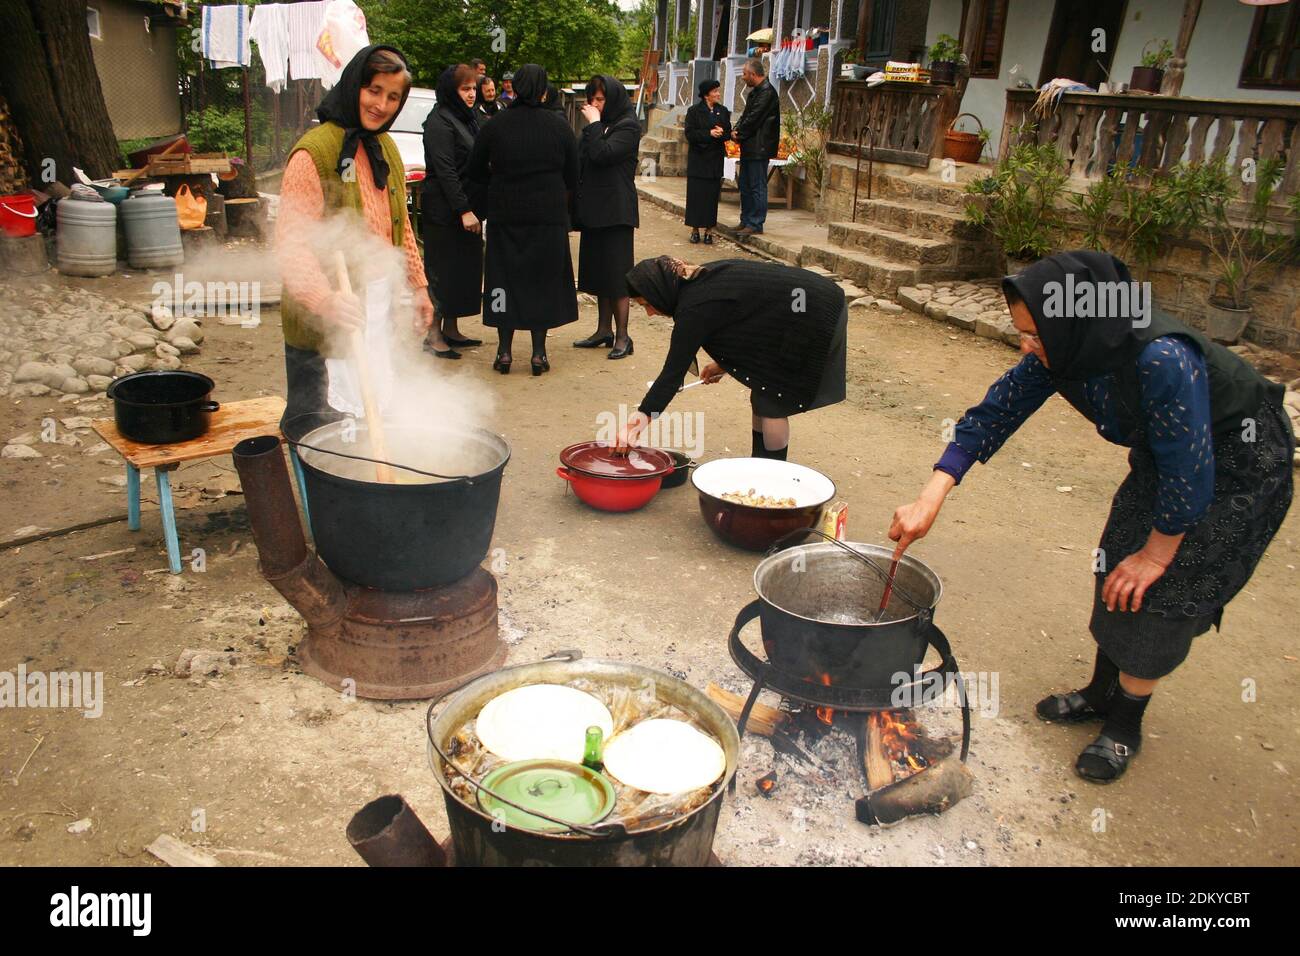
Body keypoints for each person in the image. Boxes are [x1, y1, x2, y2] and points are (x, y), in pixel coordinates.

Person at [888, 251, 1295, 784]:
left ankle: (1125, 726)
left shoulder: (1161, 359)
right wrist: (931, 495)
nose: (1024, 345)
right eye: (1022, 332)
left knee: (1160, 589)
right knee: (1117, 564)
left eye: (1034, 334)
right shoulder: (1070, 345)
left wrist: (1158, 552)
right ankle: (1104, 692)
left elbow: (1190, 475)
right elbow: (996, 412)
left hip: (1234, 464)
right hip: (1168, 456)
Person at [275, 45, 430, 438]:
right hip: (324, 316)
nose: (382, 104)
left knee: (372, 411)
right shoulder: (315, 152)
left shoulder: (387, 148)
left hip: (376, 305)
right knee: (318, 428)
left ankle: (368, 489)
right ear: (354, 86)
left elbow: (401, 228)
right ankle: (323, 499)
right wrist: (324, 300)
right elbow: (292, 244)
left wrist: (420, 286)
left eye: (393, 97)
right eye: (374, 90)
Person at [619, 256, 847, 460]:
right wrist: (724, 365)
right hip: (801, 303)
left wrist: (634, 426)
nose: (650, 313)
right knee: (763, 391)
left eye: (647, 304)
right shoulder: (695, 280)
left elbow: (671, 376)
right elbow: (749, 322)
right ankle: (760, 463)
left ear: (659, 290)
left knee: (773, 399)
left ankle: (774, 477)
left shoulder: (694, 307)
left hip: (813, 309)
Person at [467, 64, 579, 376]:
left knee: (503, 283)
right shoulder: (559, 127)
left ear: (513, 88)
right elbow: (573, 174)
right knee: (541, 282)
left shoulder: (496, 125)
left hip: (505, 215)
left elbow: (475, 170)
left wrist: (500, 176)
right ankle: (539, 354)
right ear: (544, 90)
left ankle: (504, 352)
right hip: (548, 216)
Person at [572, 75, 641, 360]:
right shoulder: (599, 127)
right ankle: (603, 330)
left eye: (600, 99)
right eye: (592, 100)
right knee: (598, 272)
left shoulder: (628, 125)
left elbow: (602, 155)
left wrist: (595, 125)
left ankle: (623, 336)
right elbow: (582, 155)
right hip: (595, 208)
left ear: (611, 98)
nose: (595, 105)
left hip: (617, 210)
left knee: (617, 275)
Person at [420, 63, 485, 360]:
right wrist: (463, 210)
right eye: (465, 89)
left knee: (462, 272)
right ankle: (433, 335)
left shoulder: (467, 118)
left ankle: (452, 329)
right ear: (451, 90)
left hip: (466, 207)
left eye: (473, 88)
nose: (472, 94)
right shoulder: (439, 122)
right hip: (444, 211)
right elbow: (446, 171)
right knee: (441, 272)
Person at [731, 58, 779, 237]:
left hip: (760, 146)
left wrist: (739, 133)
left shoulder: (767, 92)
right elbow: (746, 115)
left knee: (757, 186)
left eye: (745, 74)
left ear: (753, 74)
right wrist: (736, 130)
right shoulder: (754, 93)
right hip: (749, 145)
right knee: (745, 184)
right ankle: (746, 219)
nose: (743, 78)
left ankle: (756, 222)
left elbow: (755, 118)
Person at [683, 79, 730, 245]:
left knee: (711, 196)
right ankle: (695, 229)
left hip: (714, 160)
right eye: (715, 91)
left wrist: (722, 132)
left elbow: (728, 134)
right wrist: (709, 133)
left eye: (718, 91)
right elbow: (690, 134)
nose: (718, 94)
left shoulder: (723, 111)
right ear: (706, 95)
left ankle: (709, 230)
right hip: (698, 159)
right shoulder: (694, 111)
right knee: (696, 196)